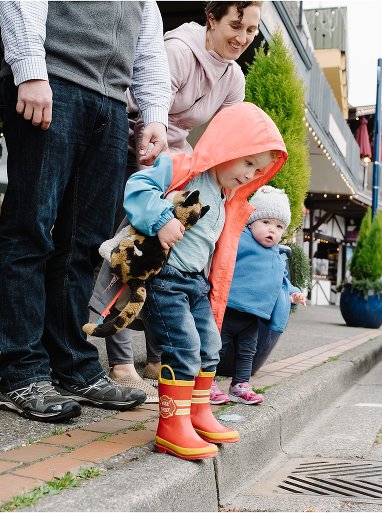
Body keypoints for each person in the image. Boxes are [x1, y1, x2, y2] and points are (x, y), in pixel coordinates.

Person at [0, 2, 170, 423]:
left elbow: (148, 47)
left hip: (110, 104)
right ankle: (22, 374)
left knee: (86, 246)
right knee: (29, 231)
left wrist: (155, 113)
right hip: (53, 83)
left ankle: (72, 365)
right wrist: (31, 69)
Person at [91, 102, 287, 460]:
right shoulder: (183, 166)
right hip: (165, 280)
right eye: (247, 162)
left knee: (210, 347)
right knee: (182, 348)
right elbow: (138, 186)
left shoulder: (230, 198)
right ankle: (171, 427)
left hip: (196, 284)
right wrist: (161, 218)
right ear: (228, 146)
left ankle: (197, 414)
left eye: (258, 169)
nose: (249, 174)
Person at [105, 1, 263, 391]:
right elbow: (146, 111)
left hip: (176, 159)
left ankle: (159, 356)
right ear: (212, 18)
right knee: (133, 249)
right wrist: (153, 196)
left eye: (251, 31)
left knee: (174, 261)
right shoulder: (178, 51)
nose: (242, 38)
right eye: (236, 25)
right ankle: (121, 360)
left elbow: (224, 140)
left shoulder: (234, 79)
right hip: (131, 142)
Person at [211, 186, 306, 406]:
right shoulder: (239, 239)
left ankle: (240, 385)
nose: (272, 230)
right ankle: (208, 383)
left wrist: (294, 293)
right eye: (266, 223)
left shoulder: (277, 253)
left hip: (253, 316)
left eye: (279, 226)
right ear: (251, 221)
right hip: (229, 309)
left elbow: (282, 279)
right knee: (216, 348)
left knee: (248, 352)